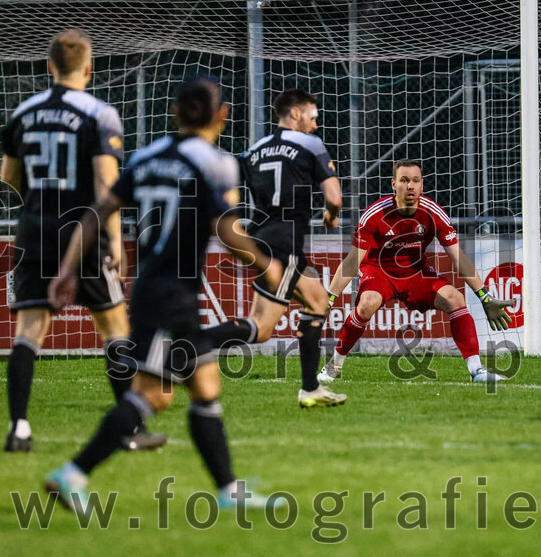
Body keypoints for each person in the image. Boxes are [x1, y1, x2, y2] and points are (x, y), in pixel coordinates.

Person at [44, 77, 284, 513]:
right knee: (152, 396)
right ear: (222, 115)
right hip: (171, 296)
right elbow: (226, 229)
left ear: (174, 112)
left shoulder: (146, 157)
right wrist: (268, 265)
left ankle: (228, 490)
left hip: (153, 289)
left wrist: (65, 270)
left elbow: (98, 211)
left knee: (205, 385)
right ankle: (72, 473)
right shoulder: (216, 163)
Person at [0, 28, 163, 452]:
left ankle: (19, 427)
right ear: (89, 68)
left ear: (50, 66)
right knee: (114, 326)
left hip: (34, 229)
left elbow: (7, 177)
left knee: (29, 330)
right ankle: (129, 430)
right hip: (83, 231)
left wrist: (39, 200)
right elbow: (107, 187)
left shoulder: (23, 112)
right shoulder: (99, 113)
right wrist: (115, 241)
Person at [202, 89, 347, 408]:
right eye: (313, 115)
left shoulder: (254, 150)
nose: (315, 123)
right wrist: (331, 215)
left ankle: (311, 389)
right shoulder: (310, 144)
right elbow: (335, 197)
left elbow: (229, 188)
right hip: (284, 244)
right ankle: (190, 342)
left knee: (318, 300)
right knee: (262, 327)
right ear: (294, 113)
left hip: (261, 237)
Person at [319, 160, 514, 384]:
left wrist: (485, 297)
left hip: (415, 272)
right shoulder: (375, 214)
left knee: (455, 298)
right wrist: (330, 298)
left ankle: (477, 371)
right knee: (367, 303)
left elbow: (459, 258)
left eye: (415, 181)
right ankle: (334, 366)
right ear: (393, 184)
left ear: (422, 185)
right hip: (378, 271)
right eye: (404, 180)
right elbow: (352, 261)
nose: (410, 186)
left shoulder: (433, 212)